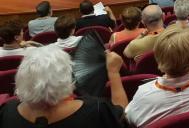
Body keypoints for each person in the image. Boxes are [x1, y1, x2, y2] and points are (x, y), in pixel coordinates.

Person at [0, 46, 128, 127]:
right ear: (67, 77)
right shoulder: (97, 110)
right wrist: (113, 72)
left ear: (21, 76)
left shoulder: (6, 111)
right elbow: (123, 114)